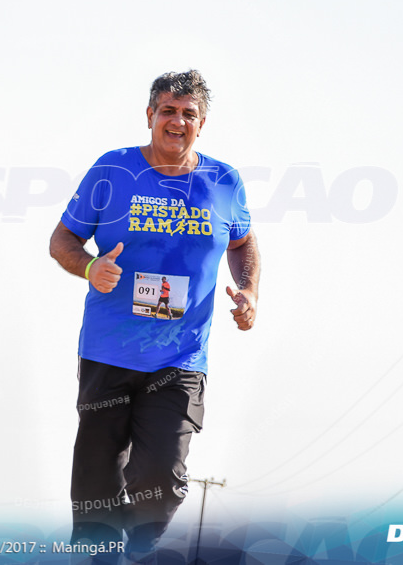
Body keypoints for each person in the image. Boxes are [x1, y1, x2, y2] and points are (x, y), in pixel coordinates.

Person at [50, 70, 260, 562]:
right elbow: (62, 240)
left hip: (181, 359)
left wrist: (249, 290)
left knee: (162, 483)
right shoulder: (112, 172)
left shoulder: (223, 181)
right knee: (95, 499)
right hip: (108, 351)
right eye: (168, 110)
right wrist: (88, 267)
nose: (177, 121)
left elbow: (244, 240)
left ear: (202, 124)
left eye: (189, 114)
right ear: (149, 116)